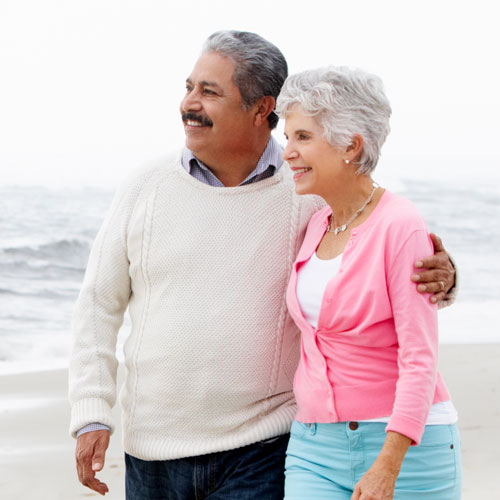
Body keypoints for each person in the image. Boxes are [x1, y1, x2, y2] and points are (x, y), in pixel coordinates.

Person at [69, 31, 457, 499]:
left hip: (264, 446)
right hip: (152, 450)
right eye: (188, 87)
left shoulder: (307, 196)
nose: (188, 104)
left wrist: (443, 273)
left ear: (260, 109)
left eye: (209, 92)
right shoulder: (144, 187)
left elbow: (374, 233)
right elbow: (97, 304)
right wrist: (92, 411)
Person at [277, 66, 462, 499]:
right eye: (288, 138)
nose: (287, 152)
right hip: (313, 447)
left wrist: (387, 466)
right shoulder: (316, 223)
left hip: (406, 451)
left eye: (302, 137)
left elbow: (420, 357)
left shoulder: (402, 226)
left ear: (350, 145)